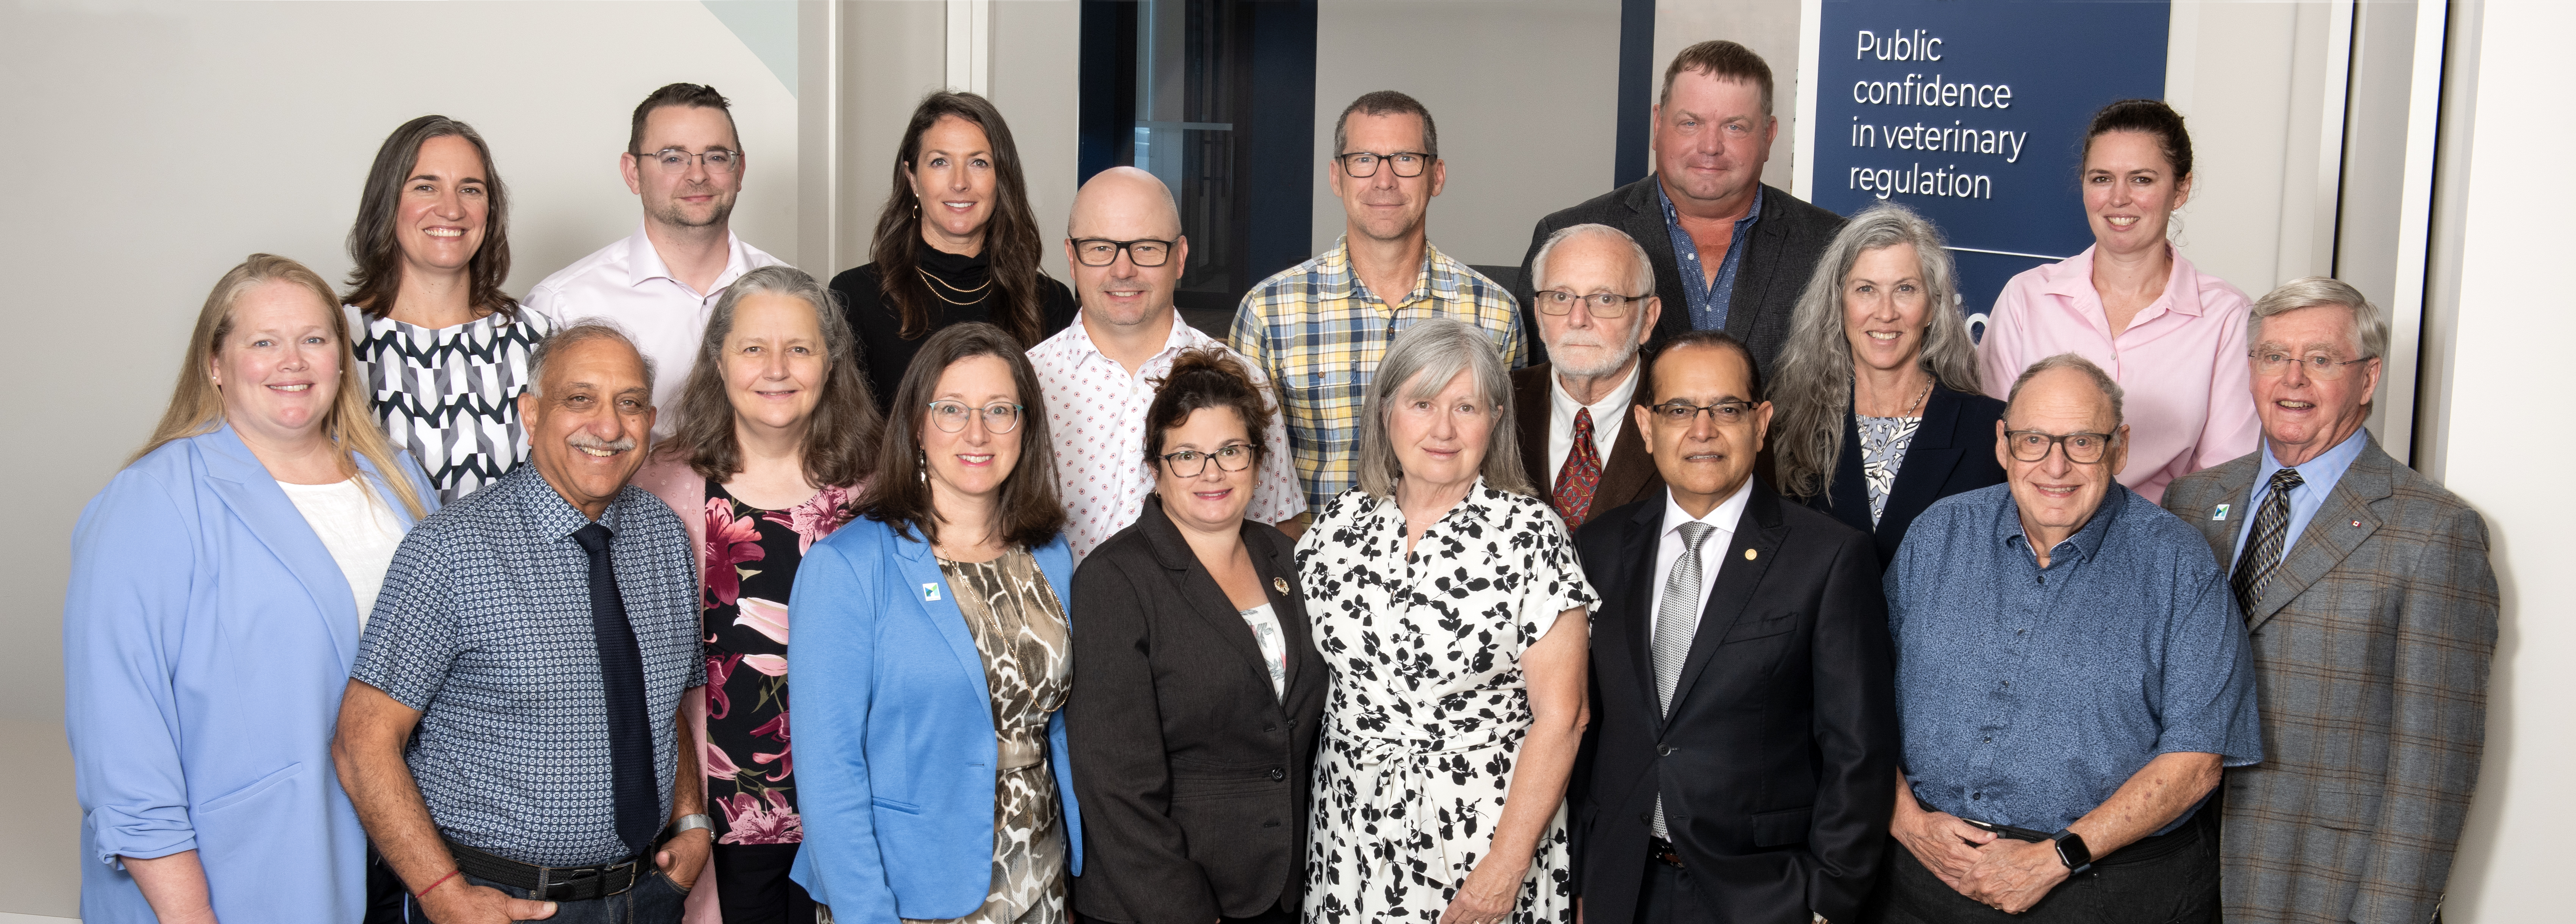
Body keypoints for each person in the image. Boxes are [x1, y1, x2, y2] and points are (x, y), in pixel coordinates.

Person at [66, 254, 436, 924]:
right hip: (239, 882)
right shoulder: (154, 499)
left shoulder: (399, 481)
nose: (291, 362)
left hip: (401, 869)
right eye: (263, 342)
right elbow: (123, 746)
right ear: (216, 361)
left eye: (314, 340)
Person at [334, 322, 710, 924]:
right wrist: (443, 894)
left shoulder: (664, 535)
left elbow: (661, 704)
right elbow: (362, 742)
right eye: (579, 399)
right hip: (499, 901)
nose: (609, 427)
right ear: (531, 415)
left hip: (652, 894)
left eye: (630, 404)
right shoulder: (451, 550)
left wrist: (691, 822)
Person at [1872, 355, 2261, 923]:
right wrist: (1906, 821)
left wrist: (2056, 857)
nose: (2055, 466)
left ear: (2119, 447)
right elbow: (1856, 702)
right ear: (2003, 445)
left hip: (2104, 889)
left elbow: (2197, 759)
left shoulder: (2178, 563)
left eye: (2082, 441)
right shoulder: (1938, 534)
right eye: (2033, 440)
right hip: (1922, 879)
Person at [2159, 279, 2498, 924]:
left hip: (2320, 885)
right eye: (2272, 356)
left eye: (2319, 359)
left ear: (2367, 378)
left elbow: (2434, 770)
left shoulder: (2433, 531)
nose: (2292, 380)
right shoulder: (2193, 502)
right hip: (2175, 877)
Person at [1569, 329, 1897, 924]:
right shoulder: (1599, 546)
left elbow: (1858, 749)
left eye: (1726, 408)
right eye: (1678, 410)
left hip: (1762, 896)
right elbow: (1583, 727)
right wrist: (1582, 874)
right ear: (1646, 427)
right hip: (1619, 885)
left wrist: (1827, 899)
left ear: (1761, 421)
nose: (1702, 430)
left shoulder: (1828, 557)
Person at [1295, 318, 1594, 924]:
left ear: (1497, 419)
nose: (1443, 429)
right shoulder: (1336, 527)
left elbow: (1564, 717)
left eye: (1467, 407)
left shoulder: (1530, 536)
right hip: (1347, 840)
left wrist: (1502, 872)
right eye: (1423, 403)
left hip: (1480, 845)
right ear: (1386, 411)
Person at [788, 323, 1085, 924]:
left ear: (1026, 427)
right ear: (917, 425)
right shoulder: (847, 567)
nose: (976, 432)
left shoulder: (1050, 555)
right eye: (951, 409)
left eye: (1000, 410)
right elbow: (829, 774)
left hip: (1041, 870)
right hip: (909, 887)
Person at [632, 266, 882, 924]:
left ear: (831, 362)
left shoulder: (878, 491)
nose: (777, 368)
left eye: (799, 348)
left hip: (844, 812)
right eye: (753, 348)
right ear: (719, 360)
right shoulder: (658, 482)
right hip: (707, 819)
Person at [1063, 347, 1328, 924]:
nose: (1212, 472)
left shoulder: (1284, 557)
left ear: (1258, 463)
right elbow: (1115, 788)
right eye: (1186, 455)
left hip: (1280, 891)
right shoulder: (1115, 581)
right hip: (1161, 901)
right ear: (1155, 468)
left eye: (1231, 451)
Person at [1232, 90, 1527, 517]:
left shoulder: (1495, 314)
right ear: (1337, 177)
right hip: (1307, 568)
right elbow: (1241, 464)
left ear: (1437, 176)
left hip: (1452, 574)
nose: (1384, 180)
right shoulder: (1268, 311)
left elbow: (1504, 465)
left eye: (1405, 159)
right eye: (1363, 160)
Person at [1975, 99, 2257, 504]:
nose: (2118, 198)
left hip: (2160, 548)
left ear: (2180, 189)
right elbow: (1995, 449)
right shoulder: (2026, 297)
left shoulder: (2226, 316)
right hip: (2030, 542)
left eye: (2141, 180)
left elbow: (2224, 482)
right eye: (2101, 178)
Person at [1514, 40, 1844, 378]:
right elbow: (1533, 397)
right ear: (1658, 124)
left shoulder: (1831, 246)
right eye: (1690, 123)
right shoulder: (1565, 238)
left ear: (1768, 135)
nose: (1710, 147)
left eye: (1734, 127)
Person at [1031, 166, 1303, 563]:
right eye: (1099, 247)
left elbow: (1277, 526)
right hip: (1055, 624)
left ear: (1180, 258)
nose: (1122, 270)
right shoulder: (1025, 383)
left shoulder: (1242, 383)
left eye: (1146, 247)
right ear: (1071, 258)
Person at [528, 83, 787, 426]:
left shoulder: (791, 293)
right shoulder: (563, 304)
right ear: (632, 172)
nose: (697, 175)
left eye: (716, 157)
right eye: (673, 158)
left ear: (739, 172)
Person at [1768, 204, 2006, 565]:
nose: (1885, 312)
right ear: (1838, 302)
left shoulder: (1991, 431)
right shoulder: (1791, 423)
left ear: (1932, 307)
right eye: (1865, 289)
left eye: (1905, 289)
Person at [342, 115, 554, 503]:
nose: (451, 210)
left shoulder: (538, 339)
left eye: (470, 190)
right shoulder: (335, 339)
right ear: (387, 203)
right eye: (426, 187)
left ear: (490, 209)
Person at [831, 91, 1079, 414]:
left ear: (1001, 179)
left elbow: (1057, 434)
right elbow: (845, 438)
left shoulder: (1050, 302)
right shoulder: (854, 297)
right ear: (912, 178)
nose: (959, 182)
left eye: (979, 162)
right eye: (940, 162)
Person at [1512, 224, 1665, 530]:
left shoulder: (1692, 413)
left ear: (1647, 318)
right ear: (1539, 317)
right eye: (1559, 297)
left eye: (1605, 299)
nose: (1577, 319)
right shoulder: (1495, 403)